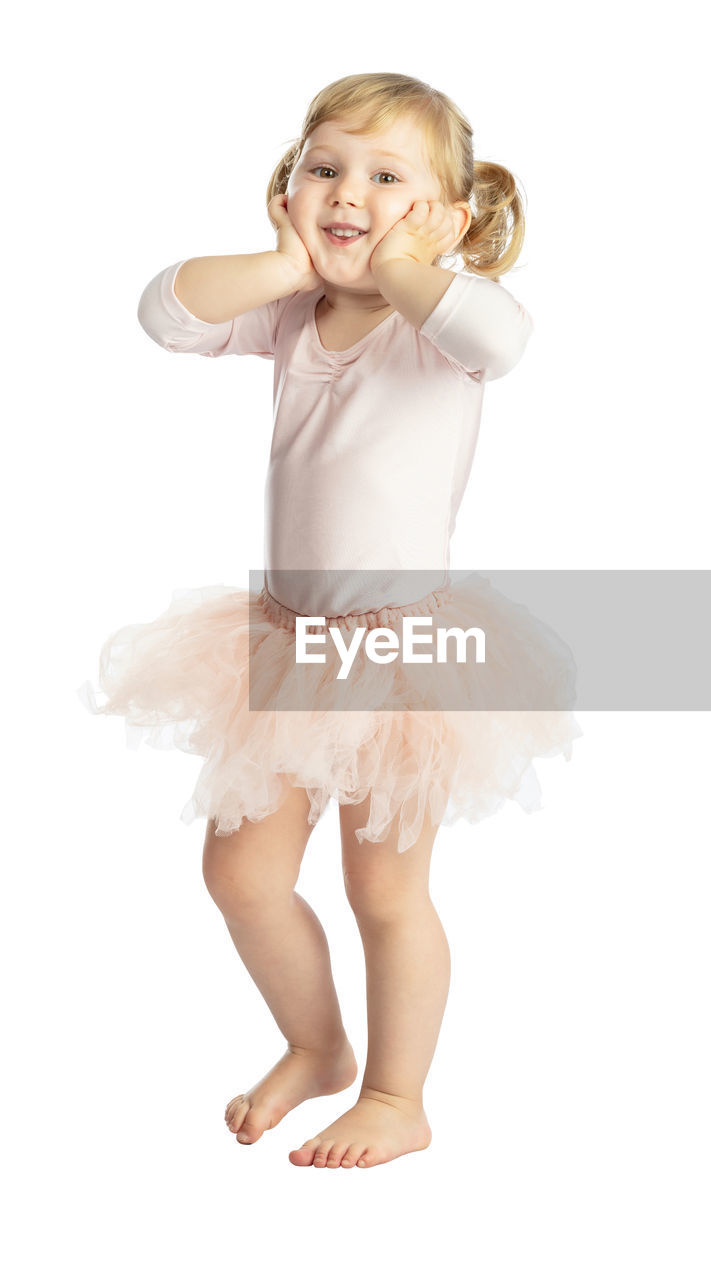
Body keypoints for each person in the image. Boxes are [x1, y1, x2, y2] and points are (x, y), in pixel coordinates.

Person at [77, 71, 581, 1170]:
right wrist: (282, 264)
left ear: (447, 217)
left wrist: (407, 262)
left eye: (387, 178)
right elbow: (165, 311)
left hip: (402, 652)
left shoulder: (437, 324)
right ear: (289, 187)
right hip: (284, 640)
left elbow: (503, 335)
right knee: (241, 875)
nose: (347, 192)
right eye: (325, 168)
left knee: (384, 887)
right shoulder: (292, 314)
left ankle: (399, 1095)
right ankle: (317, 1044)